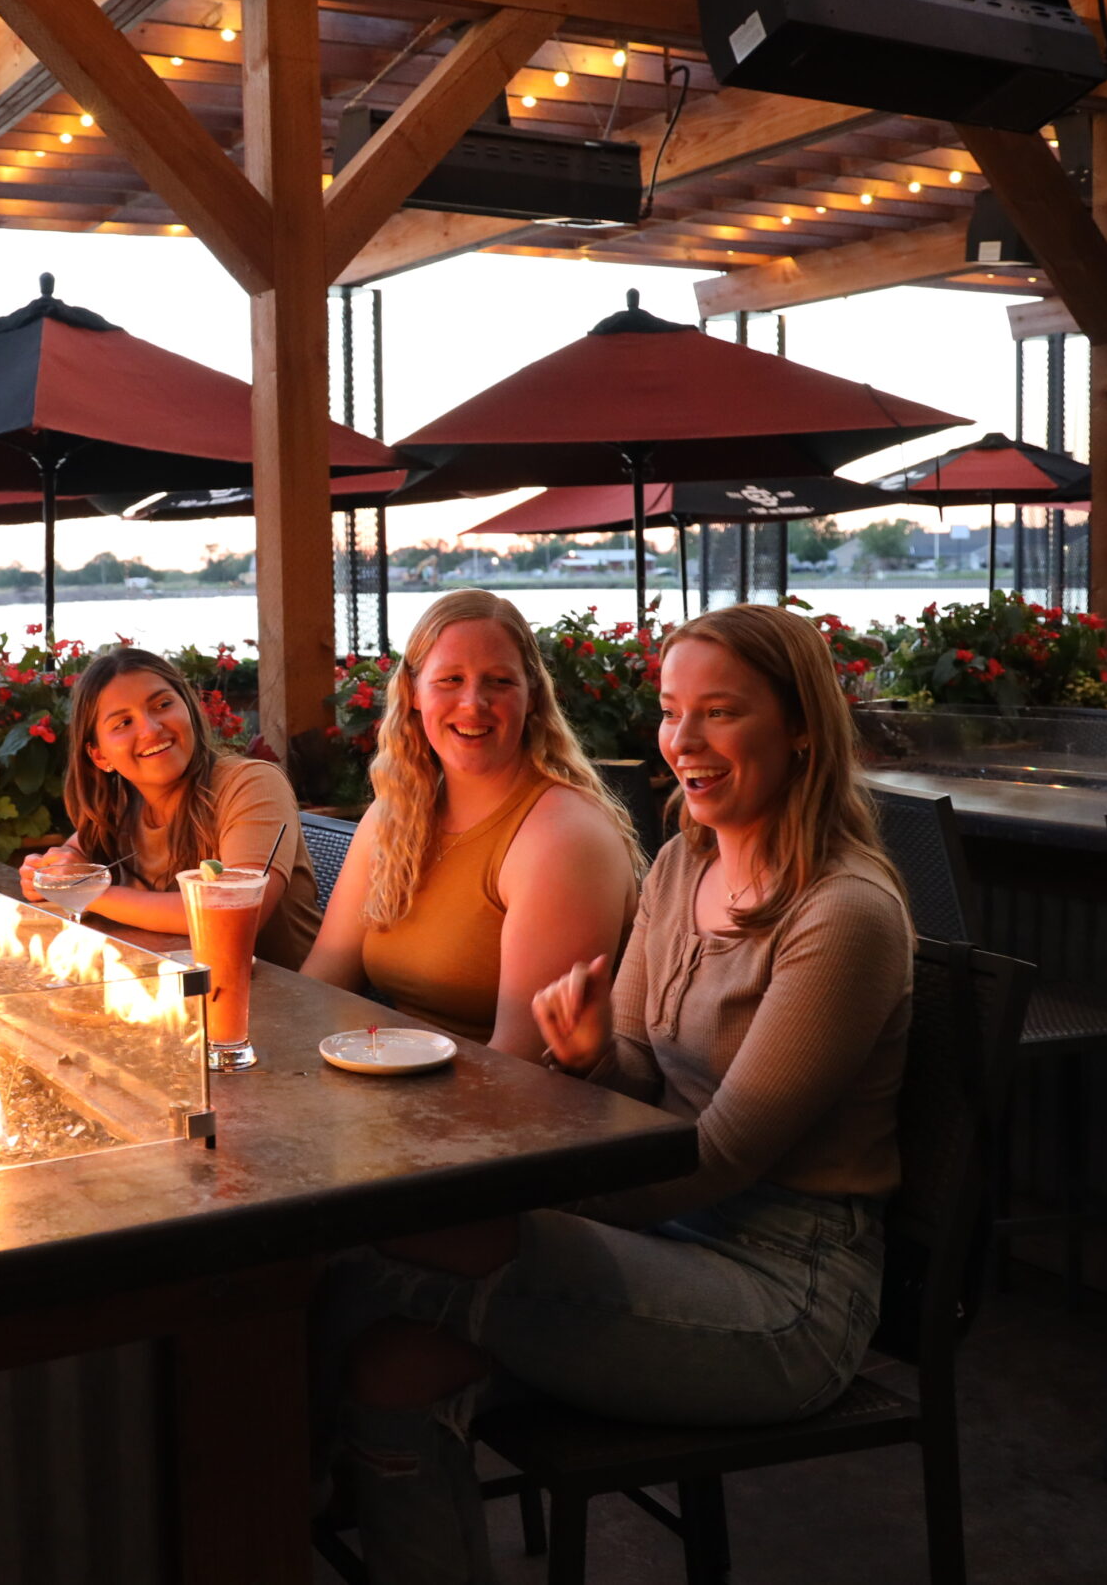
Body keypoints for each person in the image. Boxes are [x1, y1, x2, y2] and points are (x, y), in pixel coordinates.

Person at [323, 602, 915, 1583]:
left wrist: (526, 1201)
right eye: (673, 711)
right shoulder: (685, 862)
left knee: (367, 1248)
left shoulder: (842, 915)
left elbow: (722, 1154)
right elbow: (636, 1077)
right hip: (663, 1234)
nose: (684, 740)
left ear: (801, 726)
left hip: (785, 1293)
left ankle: (255, 1504)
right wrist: (591, 1060)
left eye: (719, 713)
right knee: (386, 1369)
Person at [302, 590, 641, 1055]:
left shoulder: (563, 838)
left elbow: (524, 1064)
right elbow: (322, 985)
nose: (473, 703)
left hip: (498, 1112)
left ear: (533, 697)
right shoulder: (396, 812)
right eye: (450, 680)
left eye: (499, 681)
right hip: (385, 1092)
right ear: (413, 694)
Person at [18, 646, 323, 970]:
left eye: (163, 705)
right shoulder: (122, 803)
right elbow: (71, 857)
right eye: (123, 723)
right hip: (170, 990)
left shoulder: (252, 784)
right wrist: (56, 868)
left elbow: (233, 910)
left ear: (189, 707)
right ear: (99, 756)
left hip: (285, 998)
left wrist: (85, 891)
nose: (150, 729)